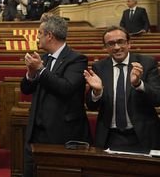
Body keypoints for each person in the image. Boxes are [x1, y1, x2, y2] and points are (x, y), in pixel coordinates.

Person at [21, 14, 91, 177]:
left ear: (49, 35)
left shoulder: (77, 59)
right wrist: (31, 73)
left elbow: (66, 87)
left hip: (62, 135)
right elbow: (25, 89)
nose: (37, 37)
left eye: (39, 33)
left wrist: (41, 70)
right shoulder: (43, 59)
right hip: (35, 133)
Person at [84, 26, 160, 150]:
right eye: (111, 44)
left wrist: (138, 84)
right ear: (105, 48)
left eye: (120, 42)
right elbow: (91, 106)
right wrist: (97, 92)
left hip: (142, 135)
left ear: (129, 43)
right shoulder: (99, 67)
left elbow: (157, 98)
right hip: (110, 136)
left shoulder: (146, 63)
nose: (117, 47)